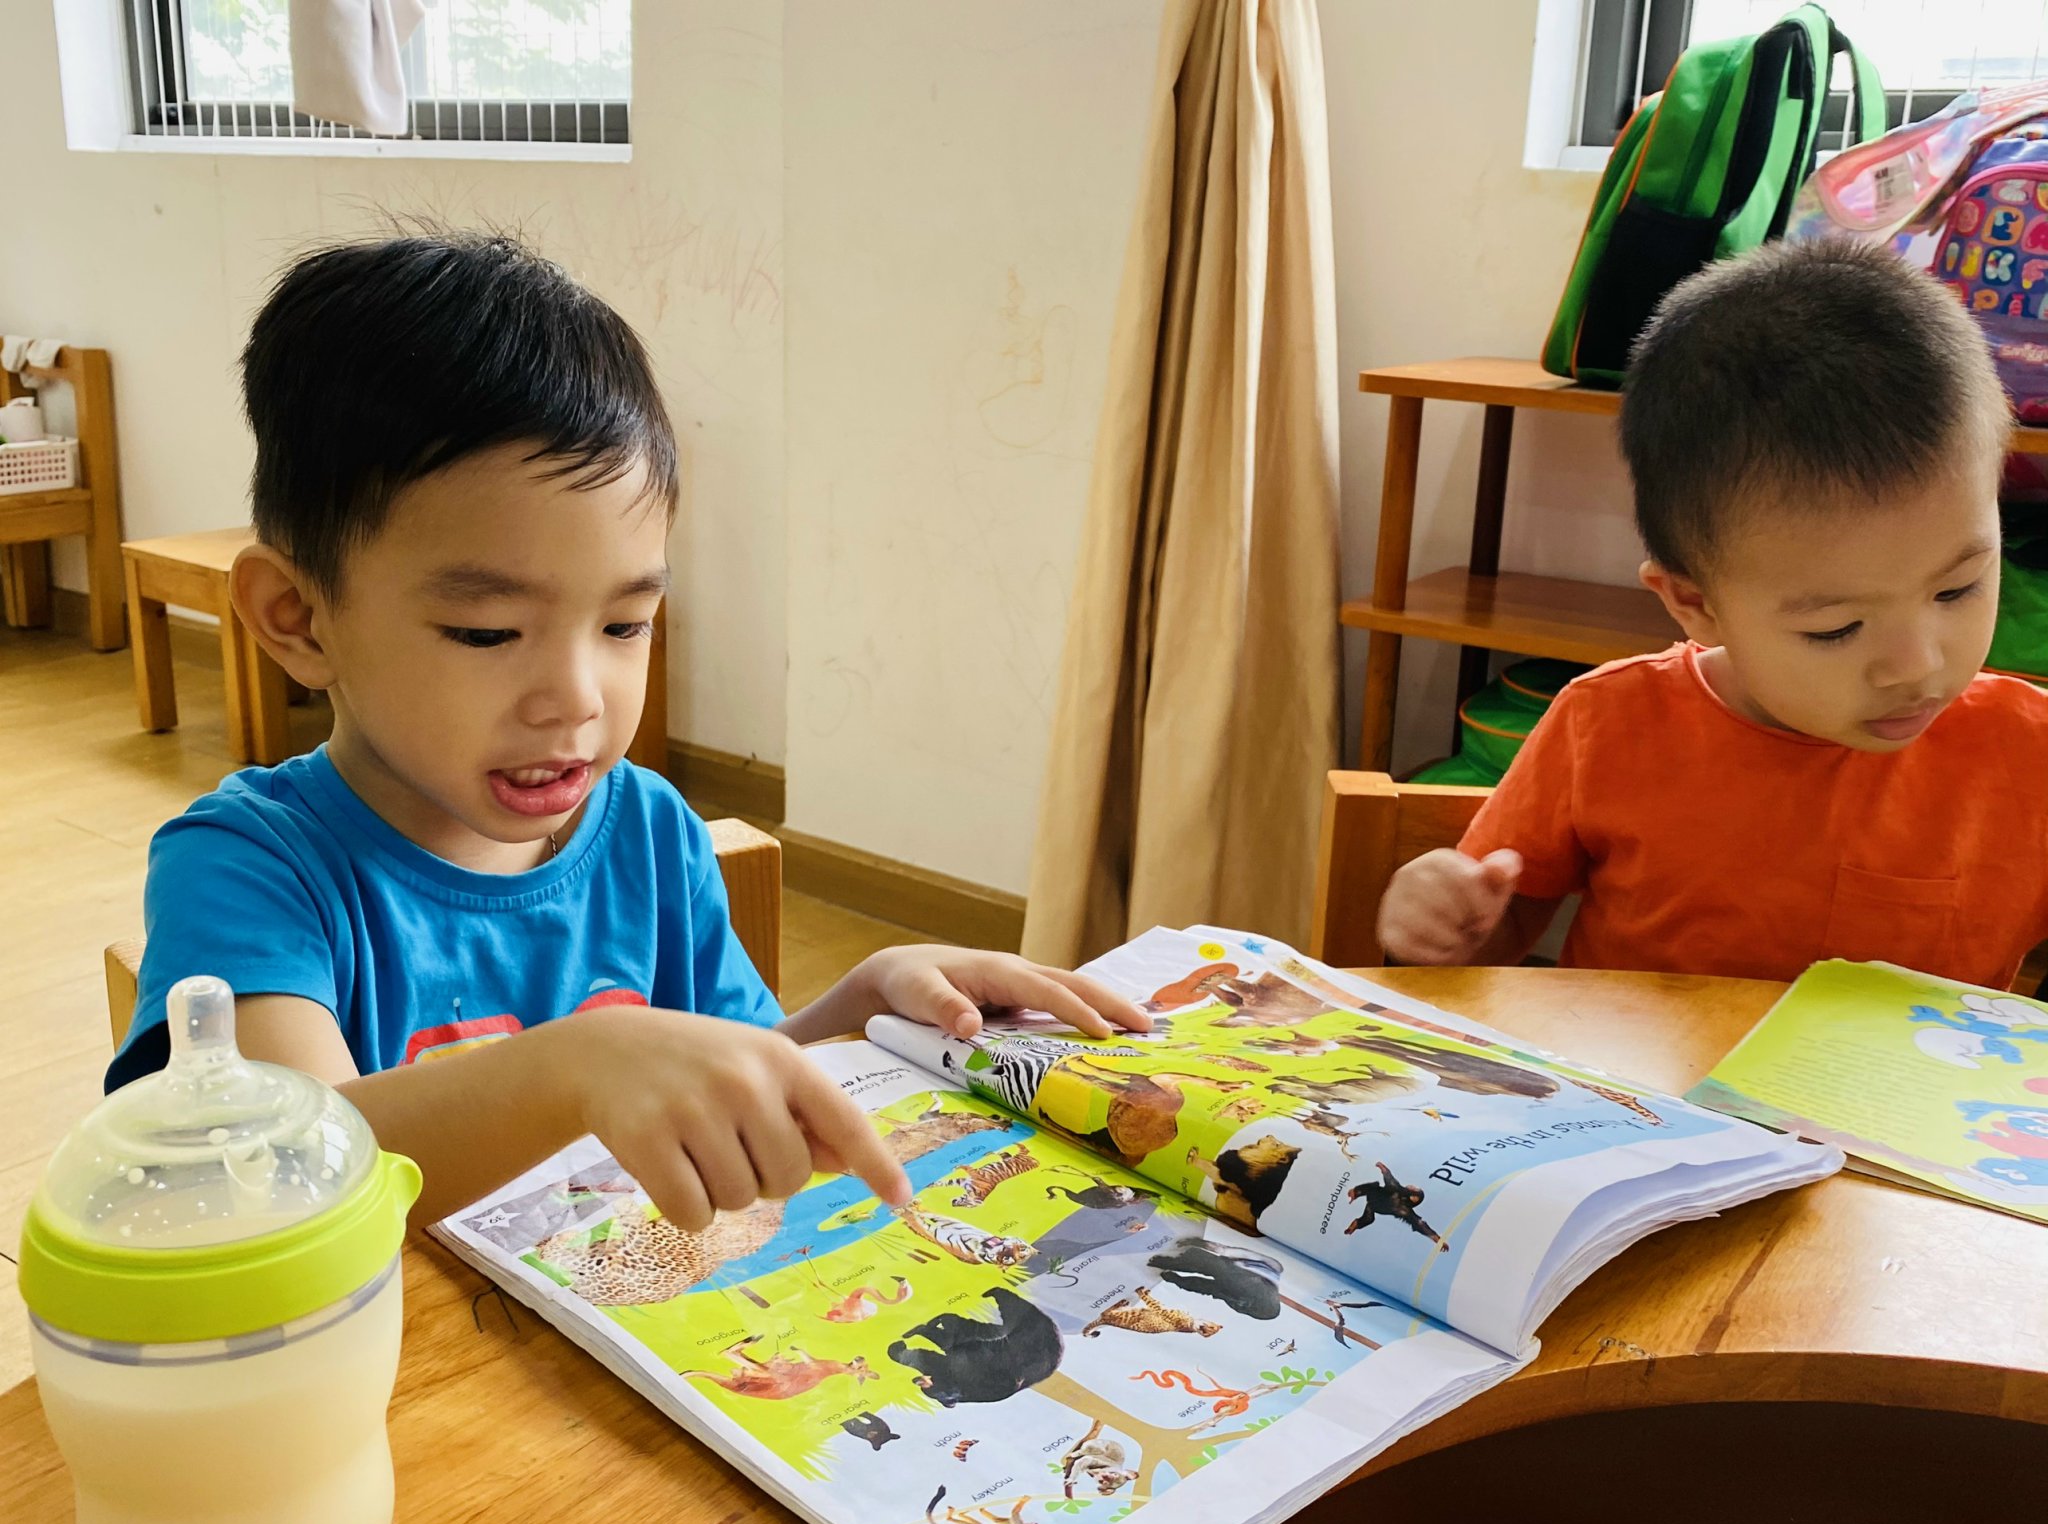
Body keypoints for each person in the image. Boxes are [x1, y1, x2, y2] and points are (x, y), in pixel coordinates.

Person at [110, 232, 1146, 1226]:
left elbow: (726, 1083)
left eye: (624, 625)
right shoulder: (247, 869)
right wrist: (572, 1068)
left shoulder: (649, 833)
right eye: (487, 631)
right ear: (298, 618)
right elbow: (288, 1174)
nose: (576, 698)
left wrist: (862, 1007)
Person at [1377, 239, 2048, 989]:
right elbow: (1499, 938)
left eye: (1957, 589)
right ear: (1693, 604)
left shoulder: (2030, 754)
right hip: (1634, 1068)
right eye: (1835, 629)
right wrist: (1448, 927)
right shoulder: (1610, 726)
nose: (1917, 665)